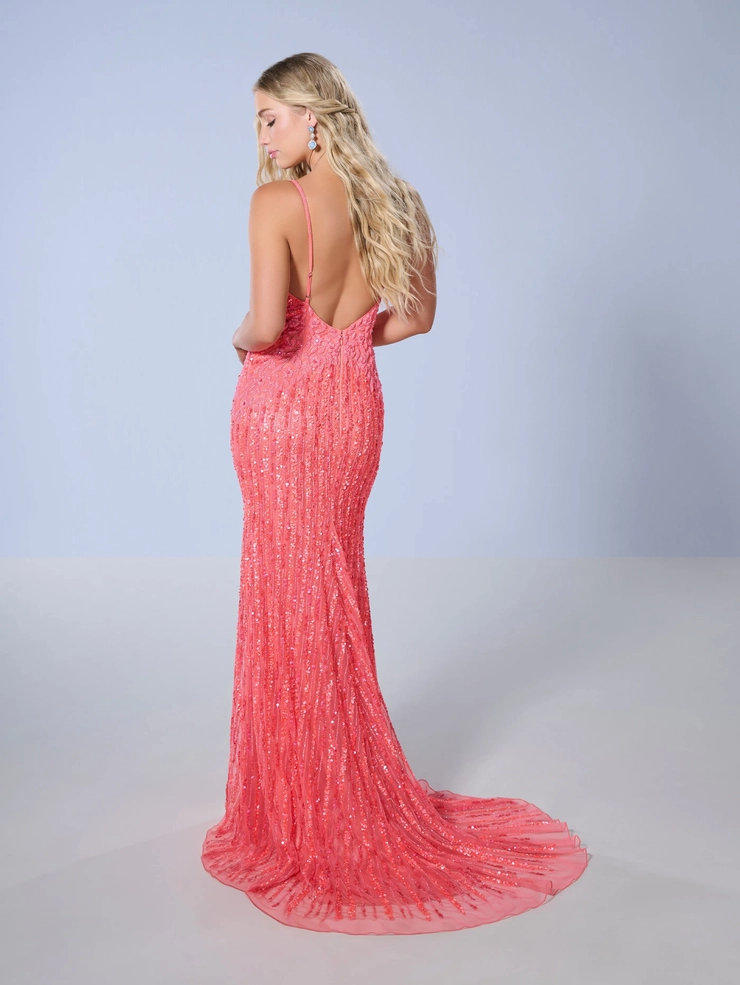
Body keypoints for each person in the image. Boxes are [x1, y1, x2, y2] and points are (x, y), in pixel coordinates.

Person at [201, 52, 589, 935]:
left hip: (279, 416)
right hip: (351, 415)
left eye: (269, 117)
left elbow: (266, 325)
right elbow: (416, 317)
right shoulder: (397, 202)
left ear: (313, 117)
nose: (260, 135)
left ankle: (303, 804)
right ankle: (333, 779)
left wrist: (239, 338)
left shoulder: (275, 203)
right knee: (332, 588)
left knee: (288, 593)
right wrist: (345, 341)